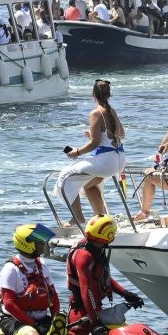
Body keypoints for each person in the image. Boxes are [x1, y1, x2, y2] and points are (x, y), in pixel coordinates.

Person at [45, 216, 145, 335]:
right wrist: (95, 321)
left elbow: (102, 278)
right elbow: (87, 290)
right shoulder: (84, 256)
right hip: (82, 311)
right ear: (108, 235)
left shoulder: (95, 248)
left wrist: (126, 294)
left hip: (94, 309)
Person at [0, 223, 61, 335]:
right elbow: (9, 304)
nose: (43, 245)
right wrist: (33, 324)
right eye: (39, 242)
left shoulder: (42, 264)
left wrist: (56, 320)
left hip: (40, 319)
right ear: (28, 244)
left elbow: (53, 296)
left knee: (69, 334)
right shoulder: (10, 269)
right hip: (13, 320)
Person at [56, 80, 127, 226]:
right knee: (89, 186)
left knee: (65, 177)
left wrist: (77, 152)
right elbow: (121, 135)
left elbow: (94, 143)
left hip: (106, 162)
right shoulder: (112, 111)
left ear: (93, 93)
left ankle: (78, 218)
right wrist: (97, 136)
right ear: (109, 94)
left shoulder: (96, 113)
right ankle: (102, 221)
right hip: (119, 160)